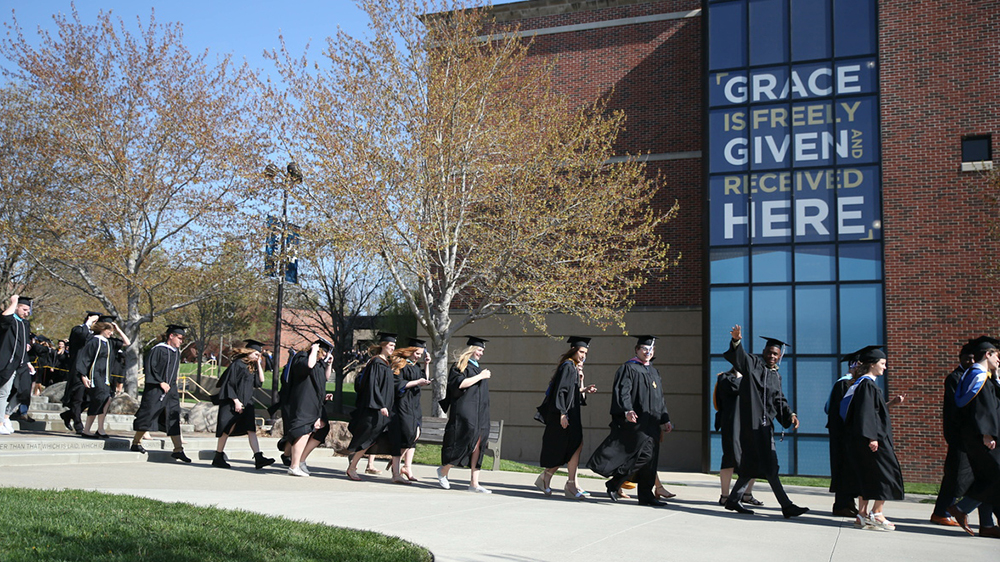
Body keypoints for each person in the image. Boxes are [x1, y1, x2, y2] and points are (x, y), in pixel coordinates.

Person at [721, 326, 808, 518]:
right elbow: (740, 357)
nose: (772, 356)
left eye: (775, 354)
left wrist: (790, 415)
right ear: (764, 352)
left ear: (780, 356)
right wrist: (736, 342)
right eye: (769, 352)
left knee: (750, 465)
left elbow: (779, 400)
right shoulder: (753, 364)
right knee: (770, 466)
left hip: (765, 426)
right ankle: (787, 506)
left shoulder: (776, 375)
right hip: (752, 425)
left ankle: (733, 500)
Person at [586, 335, 673, 507]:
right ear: (637, 350)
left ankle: (645, 495)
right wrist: (627, 410)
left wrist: (665, 419)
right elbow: (623, 391)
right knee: (644, 455)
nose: (647, 352)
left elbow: (660, 399)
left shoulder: (654, 371)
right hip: (637, 422)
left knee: (650, 459)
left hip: (653, 423)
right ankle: (615, 482)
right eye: (644, 349)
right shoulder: (629, 368)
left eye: (650, 350)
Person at [840, 345, 905, 531]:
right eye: (882, 363)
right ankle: (877, 513)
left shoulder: (860, 384)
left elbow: (872, 411)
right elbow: (866, 413)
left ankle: (862, 514)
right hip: (875, 439)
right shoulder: (868, 385)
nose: (885, 367)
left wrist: (891, 404)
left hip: (865, 438)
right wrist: (872, 437)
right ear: (872, 364)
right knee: (887, 473)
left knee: (867, 474)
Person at [948, 335, 1000, 538]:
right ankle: (961, 508)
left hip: (976, 437)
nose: (999, 360)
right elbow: (982, 408)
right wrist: (987, 433)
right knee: (995, 476)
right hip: (983, 437)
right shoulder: (978, 377)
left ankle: (987, 525)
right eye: (997, 356)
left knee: (986, 478)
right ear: (987, 354)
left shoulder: (977, 375)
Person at [536, 336, 598, 499]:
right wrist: (562, 413)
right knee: (567, 447)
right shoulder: (568, 366)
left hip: (572, 411)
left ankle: (568, 482)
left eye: (586, 352)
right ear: (574, 350)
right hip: (565, 413)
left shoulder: (573, 368)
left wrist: (583, 388)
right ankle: (550, 478)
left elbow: (570, 392)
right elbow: (561, 392)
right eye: (581, 351)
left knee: (575, 445)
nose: (584, 355)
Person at [438, 336, 493, 493]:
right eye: (480, 350)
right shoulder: (460, 366)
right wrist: (481, 376)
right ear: (472, 349)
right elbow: (459, 384)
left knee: (478, 444)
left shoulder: (477, 367)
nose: (481, 353)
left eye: (483, 350)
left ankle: (474, 483)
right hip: (465, 411)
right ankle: (443, 471)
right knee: (463, 439)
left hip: (480, 412)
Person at [930, 341, 976, 527]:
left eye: (973, 358)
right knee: (956, 475)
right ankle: (943, 512)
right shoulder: (955, 378)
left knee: (967, 476)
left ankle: (946, 511)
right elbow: (959, 409)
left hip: (970, 437)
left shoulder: (972, 377)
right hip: (960, 437)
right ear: (960, 358)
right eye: (967, 358)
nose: (970, 361)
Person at [130, 324, 191, 462]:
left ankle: (178, 449)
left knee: (173, 417)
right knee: (148, 415)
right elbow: (150, 368)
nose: (181, 341)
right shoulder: (158, 350)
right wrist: (160, 382)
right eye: (180, 338)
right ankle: (136, 442)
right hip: (156, 389)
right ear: (171, 336)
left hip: (171, 390)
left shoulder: (175, 352)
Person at [211, 339, 275, 470]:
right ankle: (218, 456)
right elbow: (229, 384)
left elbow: (260, 382)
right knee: (226, 429)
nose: (259, 356)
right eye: (256, 354)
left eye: (260, 355)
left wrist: (258, 364)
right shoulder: (237, 364)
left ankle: (258, 457)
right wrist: (236, 401)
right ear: (249, 352)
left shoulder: (251, 366)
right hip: (232, 402)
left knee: (251, 429)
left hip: (247, 402)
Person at [344, 332, 397, 481]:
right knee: (366, 437)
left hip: (383, 409)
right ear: (383, 346)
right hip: (374, 409)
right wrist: (380, 405)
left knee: (373, 438)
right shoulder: (376, 363)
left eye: (394, 345)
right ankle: (352, 466)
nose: (393, 348)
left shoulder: (385, 363)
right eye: (391, 345)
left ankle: (355, 463)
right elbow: (373, 386)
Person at [284, 338, 333, 477]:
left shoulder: (319, 363)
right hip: (303, 402)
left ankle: (300, 460)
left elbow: (325, 378)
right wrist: (314, 350)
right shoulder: (302, 357)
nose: (325, 356)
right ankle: (294, 465)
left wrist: (329, 364)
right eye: (324, 353)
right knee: (303, 430)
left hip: (315, 402)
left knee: (322, 427)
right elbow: (308, 365)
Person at [76, 315, 131, 438]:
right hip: (95, 376)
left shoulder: (110, 342)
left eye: (112, 331)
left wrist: (118, 330)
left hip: (106, 377)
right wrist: (83, 376)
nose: (111, 333)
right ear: (102, 328)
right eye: (109, 330)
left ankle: (100, 429)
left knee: (107, 400)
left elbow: (127, 342)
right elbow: (84, 359)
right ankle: (87, 430)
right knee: (100, 399)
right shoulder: (93, 341)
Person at [388, 337, 432, 483]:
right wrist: (416, 382)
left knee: (416, 434)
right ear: (410, 351)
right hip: (402, 405)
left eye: (420, 354)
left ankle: (406, 467)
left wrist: (426, 364)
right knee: (406, 435)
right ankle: (396, 471)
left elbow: (424, 379)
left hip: (414, 405)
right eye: (417, 354)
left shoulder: (415, 366)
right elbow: (396, 384)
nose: (418, 356)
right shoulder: (400, 365)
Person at [713, 366, 759, 506]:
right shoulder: (724, 378)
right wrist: (741, 376)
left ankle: (747, 494)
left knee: (753, 459)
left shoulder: (752, 378)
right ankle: (725, 496)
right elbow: (736, 387)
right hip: (732, 424)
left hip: (750, 424)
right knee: (729, 459)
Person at [825, 349, 861, 517]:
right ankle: (841, 505)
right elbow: (836, 411)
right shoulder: (844, 383)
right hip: (841, 435)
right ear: (854, 366)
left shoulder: (851, 383)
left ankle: (847, 503)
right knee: (843, 468)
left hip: (845, 434)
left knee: (849, 468)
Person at [61, 311, 101, 433]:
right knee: (77, 397)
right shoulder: (78, 329)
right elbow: (82, 337)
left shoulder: (95, 335)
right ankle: (78, 424)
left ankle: (68, 415)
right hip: (78, 368)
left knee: (90, 399)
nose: (95, 324)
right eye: (94, 321)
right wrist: (89, 322)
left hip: (90, 370)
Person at [0, 295, 33, 435]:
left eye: (28, 310)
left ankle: (6, 416)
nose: (27, 313)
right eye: (24, 309)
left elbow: (23, 345)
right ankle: (0, 422)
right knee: (4, 393)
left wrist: (28, 362)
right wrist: (13, 302)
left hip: (21, 363)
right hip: (8, 362)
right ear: (17, 307)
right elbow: (4, 318)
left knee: (24, 392)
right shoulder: (11, 320)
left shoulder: (24, 324)